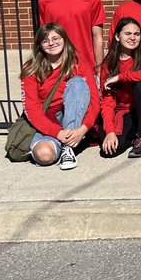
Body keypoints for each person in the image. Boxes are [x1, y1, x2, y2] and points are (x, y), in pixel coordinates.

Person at [20, 23, 100, 170]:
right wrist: (57, 132)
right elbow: (32, 109)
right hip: (49, 120)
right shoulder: (31, 68)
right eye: (45, 40)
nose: (51, 43)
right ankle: (65, 144)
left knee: (77, 83)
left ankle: (67, 149)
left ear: (64, 39)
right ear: (39, 45)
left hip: (75, 116)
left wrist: (83, 129)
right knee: (44, 155)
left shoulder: (79, 64)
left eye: (56, 38)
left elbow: (95, 100)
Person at [99, 17, 141, 158]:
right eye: (128, 34)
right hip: (125, 112)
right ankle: (133, 135)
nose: (133, 38)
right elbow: (107, 101)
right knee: (110, 150)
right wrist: (110, 131)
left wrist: (120, 77)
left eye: (137, 34)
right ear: (117, 36)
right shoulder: (109, 63)